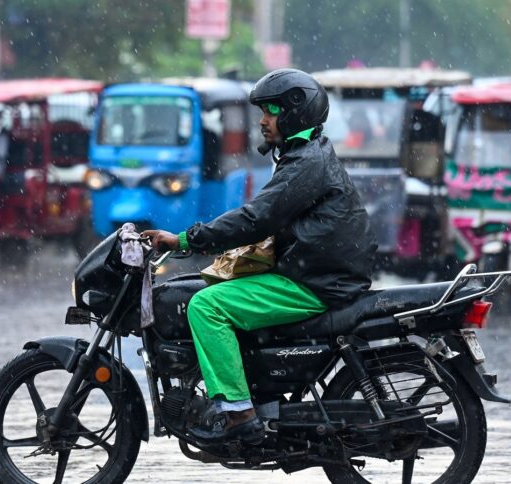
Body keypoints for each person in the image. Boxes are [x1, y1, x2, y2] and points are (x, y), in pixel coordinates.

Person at [142, 68, 377, 444]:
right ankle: (255, 391)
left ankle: (238, 413)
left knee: (206, 307)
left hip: (313, 282)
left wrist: (185, 240)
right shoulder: (306, 155)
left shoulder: (306, 164)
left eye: (270, 112)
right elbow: (263, 217)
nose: (263, 121)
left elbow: (256, 218)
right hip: (319, 272)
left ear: (294, 113)